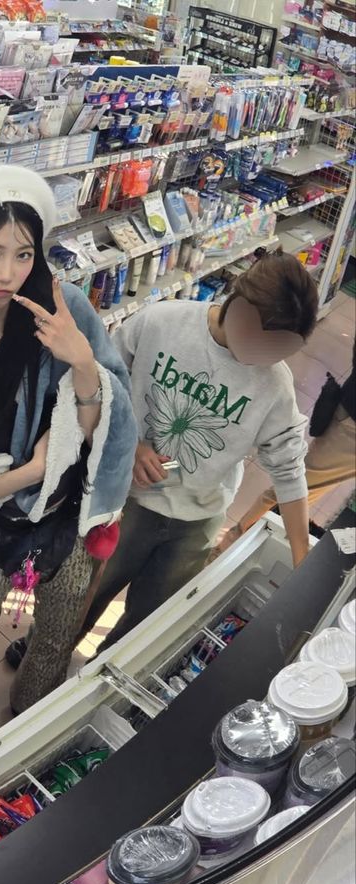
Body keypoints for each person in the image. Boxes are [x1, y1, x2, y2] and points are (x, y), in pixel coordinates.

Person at [0, 165, 137, 749]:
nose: (8, 274)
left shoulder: (61, 315)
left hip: (62, 513)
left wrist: (83, 362)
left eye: (23, 255)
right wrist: (30, 471)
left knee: (61, 622)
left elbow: (91, 434)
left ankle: (34, 707)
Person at [78, 250, 319, 658]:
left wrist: (302, 560)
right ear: (238, 308)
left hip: (197, 520)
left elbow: (289, 469)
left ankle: (96, 678)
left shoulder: (275, 385)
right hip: (124, 502)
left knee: (146, 622)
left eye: (282, 351)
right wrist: (130, 444)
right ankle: (42, 650)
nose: (269, 359)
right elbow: (102, 382)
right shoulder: (163, 323)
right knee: (84, 594)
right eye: (265, 344)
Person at [217, 335, 355, 547]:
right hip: (350, 429)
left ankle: (254, 541)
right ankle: (233, 545)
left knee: (303, 494)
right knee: (294, 491)